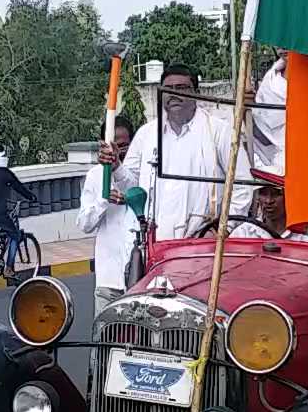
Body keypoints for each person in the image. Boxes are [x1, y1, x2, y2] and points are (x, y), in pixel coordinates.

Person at [117, 64, 251, 242]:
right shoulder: (146, 134)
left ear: (195, 92)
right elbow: (132, 187)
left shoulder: (219, 131)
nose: (174, 94)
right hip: (154, 244)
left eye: (181, 88)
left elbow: (242, 185)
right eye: (168, 89)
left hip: (202, 243)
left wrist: (222, 229)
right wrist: (115, 167)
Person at [79, 119, 139, 315]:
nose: (117, 151)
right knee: (104, 340)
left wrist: (119, 172)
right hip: (108, 280)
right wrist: (103, 202)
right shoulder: (95, 176)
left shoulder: (143, 172)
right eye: (113, 146)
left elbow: (139, 192)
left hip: (138, 279)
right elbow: (84, 224)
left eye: (123, 146)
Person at [0, 143, 39, 269]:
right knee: (15, 235)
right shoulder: (5, 173)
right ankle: (9, 268)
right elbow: (18, 187)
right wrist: (31, 197)